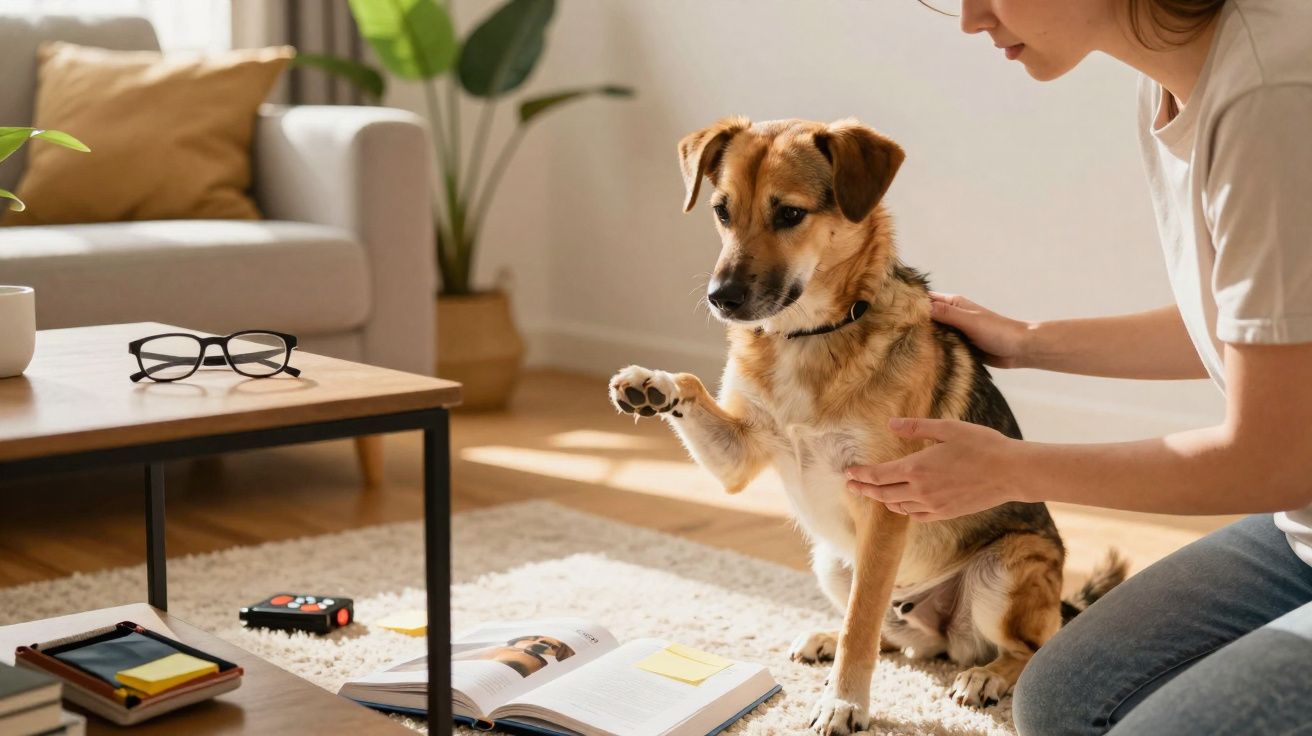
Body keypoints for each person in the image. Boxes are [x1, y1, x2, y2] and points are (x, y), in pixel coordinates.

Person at [843, 0, 1312, 733]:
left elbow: (1276, 459)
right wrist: (1028, 340)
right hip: (1302, 530)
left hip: (1294, 487)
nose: (969, 19)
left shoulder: (1274, 96)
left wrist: (1013, 469)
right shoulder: (1172, 79)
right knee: (1064, 698)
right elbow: (1261, 335)